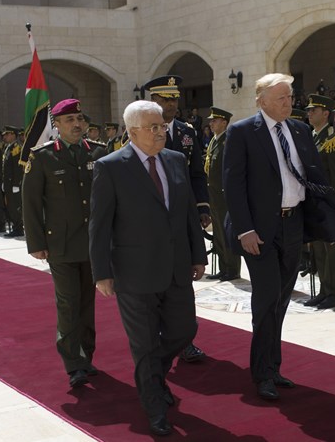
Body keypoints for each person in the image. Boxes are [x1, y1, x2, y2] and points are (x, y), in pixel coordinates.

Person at [89, 100, 206, 436]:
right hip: (133, 272)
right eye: (153, 127)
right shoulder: (110, 167)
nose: (161, 132)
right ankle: (154, 407)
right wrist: (102, 272)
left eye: (162, 126)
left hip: (176, 267)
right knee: (143, 345)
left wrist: (198, 255)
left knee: (184, 330)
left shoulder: (175, 160)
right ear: (133, 132)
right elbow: (100, 225)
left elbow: (186, 214)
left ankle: (153, 377)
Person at [223, 73, 332, 401]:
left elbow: (312, 176)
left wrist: (318, 220)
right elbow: (234, 184)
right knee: (266, 298)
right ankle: (262, 374)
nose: (290, 102)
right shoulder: (242, 132)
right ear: (262, 101)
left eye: (290, 96)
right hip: (259, 230)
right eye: (282, 98)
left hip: (293, 224)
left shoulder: (299, 130)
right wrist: (245, 229)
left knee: (282, 299)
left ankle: (274, 366)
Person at [22, 99, 106, 389]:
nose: (77, 124)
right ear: (56, 124)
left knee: (87, 303)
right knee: (68, 303)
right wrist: (35, 242)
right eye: (69, 120)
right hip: (60, 245)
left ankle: (87, 355)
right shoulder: (43, 157)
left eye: (80, 118)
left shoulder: (98, 152)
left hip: (92, 244)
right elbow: (31, 203)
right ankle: (74, 363)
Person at [144, 75, 210, 364]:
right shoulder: (138, 132)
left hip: (182, 219)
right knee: (156, 283)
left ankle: (185, 341)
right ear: (153, 101)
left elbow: (197, 172)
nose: (171, 104)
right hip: (151, 224)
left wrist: (203, 206)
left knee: (183, 284)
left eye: (174, 99)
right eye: (165, 99)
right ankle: (157, 339)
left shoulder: (187, 132)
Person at [303, 94, 335, 309]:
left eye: (314, 110)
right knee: (319, 251)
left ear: (326, 114)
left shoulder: (334, 140)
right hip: (314, 205)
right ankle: (324, 290)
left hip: (328, 206)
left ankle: (334, 293)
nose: (309, 113)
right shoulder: (312, 137)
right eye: (309, 110)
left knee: (333, 252)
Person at [204, 107, 241, 281]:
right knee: (218, 233)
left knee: (227, 233)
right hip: (214, 195)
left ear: (224, 123)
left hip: (225, 196)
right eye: (211, 121)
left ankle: (232, 269)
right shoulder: (214, 142)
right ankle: (223, 267)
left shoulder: (228, 141)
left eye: (215, 121)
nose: (211, 124)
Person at [1, 126, 24, 237]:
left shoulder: (17, 148)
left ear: (14, 135)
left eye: (8, 134)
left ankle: (18, 228)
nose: (5, 136)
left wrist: (16, 184)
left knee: (16, 207)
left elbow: (18, 168)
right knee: (10, 207)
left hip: (14, 184)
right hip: (8, 184)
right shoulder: (8, 147)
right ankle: (15, 227)